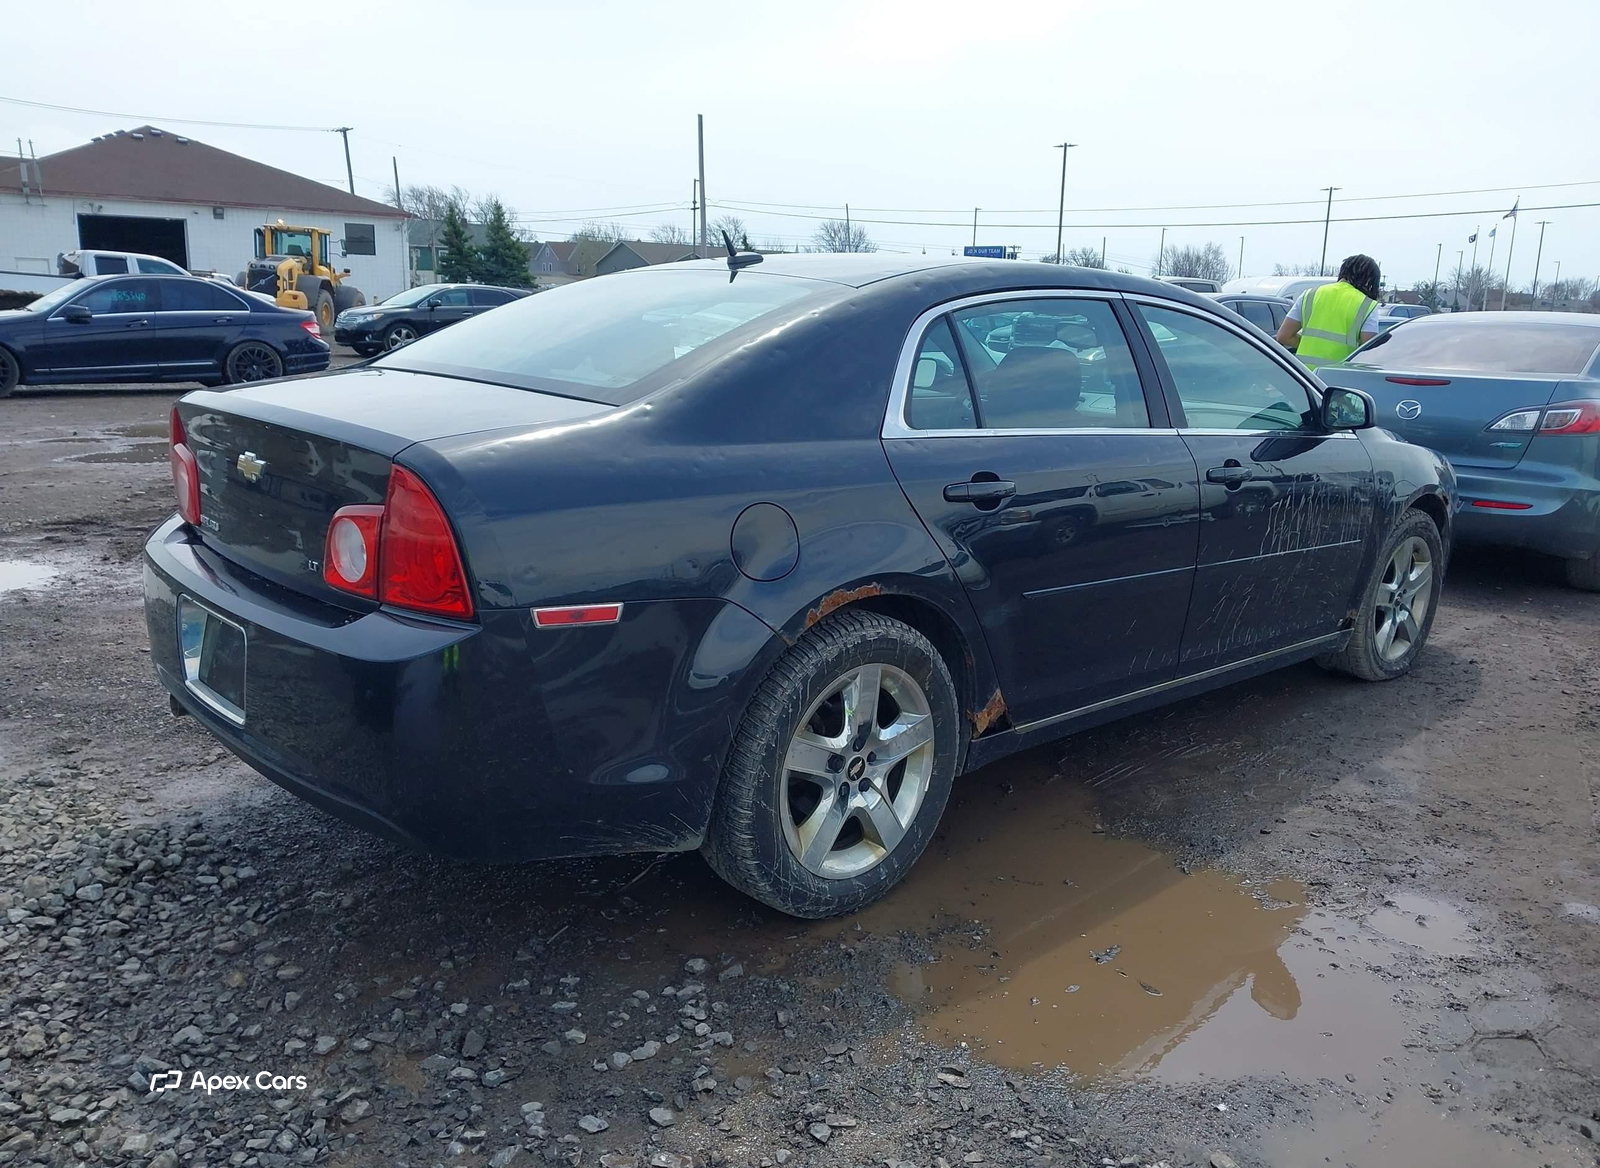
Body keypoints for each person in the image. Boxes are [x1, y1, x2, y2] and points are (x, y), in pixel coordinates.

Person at [1276, 254, 1382, 368]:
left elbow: (1283, 336)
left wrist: (1311, 346)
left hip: (1304, 376)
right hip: (1338, 376)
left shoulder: (1309, 295)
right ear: (1369, 280)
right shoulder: (1367, 305)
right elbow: (1369, 351)